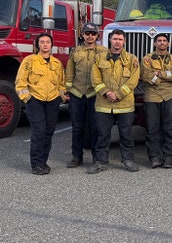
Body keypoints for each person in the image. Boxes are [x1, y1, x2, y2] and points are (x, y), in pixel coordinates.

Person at [88, 29, 141, 174]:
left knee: (126, 134)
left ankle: (128, 160)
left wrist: (118, 94)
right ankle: (100, 162)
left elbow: (133, 80)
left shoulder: (132, 59)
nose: (117, 42)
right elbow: (95, 79)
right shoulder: (99, 58)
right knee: (102, 134)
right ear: (110, 40)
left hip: (125, 105)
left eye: (120, 39)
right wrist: (106, 92)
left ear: (124, 42)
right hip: (103, 105)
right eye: (115, 39)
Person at [15, 33, 68, 175]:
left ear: (51, 45)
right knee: (39, 131)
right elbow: (20, 83)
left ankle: (43, 162)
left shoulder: (56, 64)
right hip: (35, 100)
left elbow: (61, 84)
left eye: (48, 42)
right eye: (42, 42)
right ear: (37, 45)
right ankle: (36, 163)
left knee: (49, 132)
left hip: (52, 101)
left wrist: (60, 97)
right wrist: (28, 98)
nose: (45, 44)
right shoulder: (29, 61)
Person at [64, 23, 107, 168]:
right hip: (77, 94)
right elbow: (70, 72)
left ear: (97, 36)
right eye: (87, 33)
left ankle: (96, 157)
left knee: (95, 127)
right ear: (82, 35)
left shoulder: (103, 52)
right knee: (77, 127)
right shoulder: (75, 51)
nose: (90, 36)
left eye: (92, 33)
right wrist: (68, 90)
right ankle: (77, 156)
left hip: (95, 94)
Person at [140, 33, 172, 168]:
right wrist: (160, 79)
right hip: (152, 96)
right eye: (159, 41)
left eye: (164, 41)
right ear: (154, 43)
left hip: (170, 96)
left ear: (168, 44)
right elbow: (146, 75)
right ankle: (154, 157)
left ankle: (168, 157)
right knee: (152, 128)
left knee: (169, 128)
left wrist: (159, 73)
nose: (162, 43)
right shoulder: (147, 59)